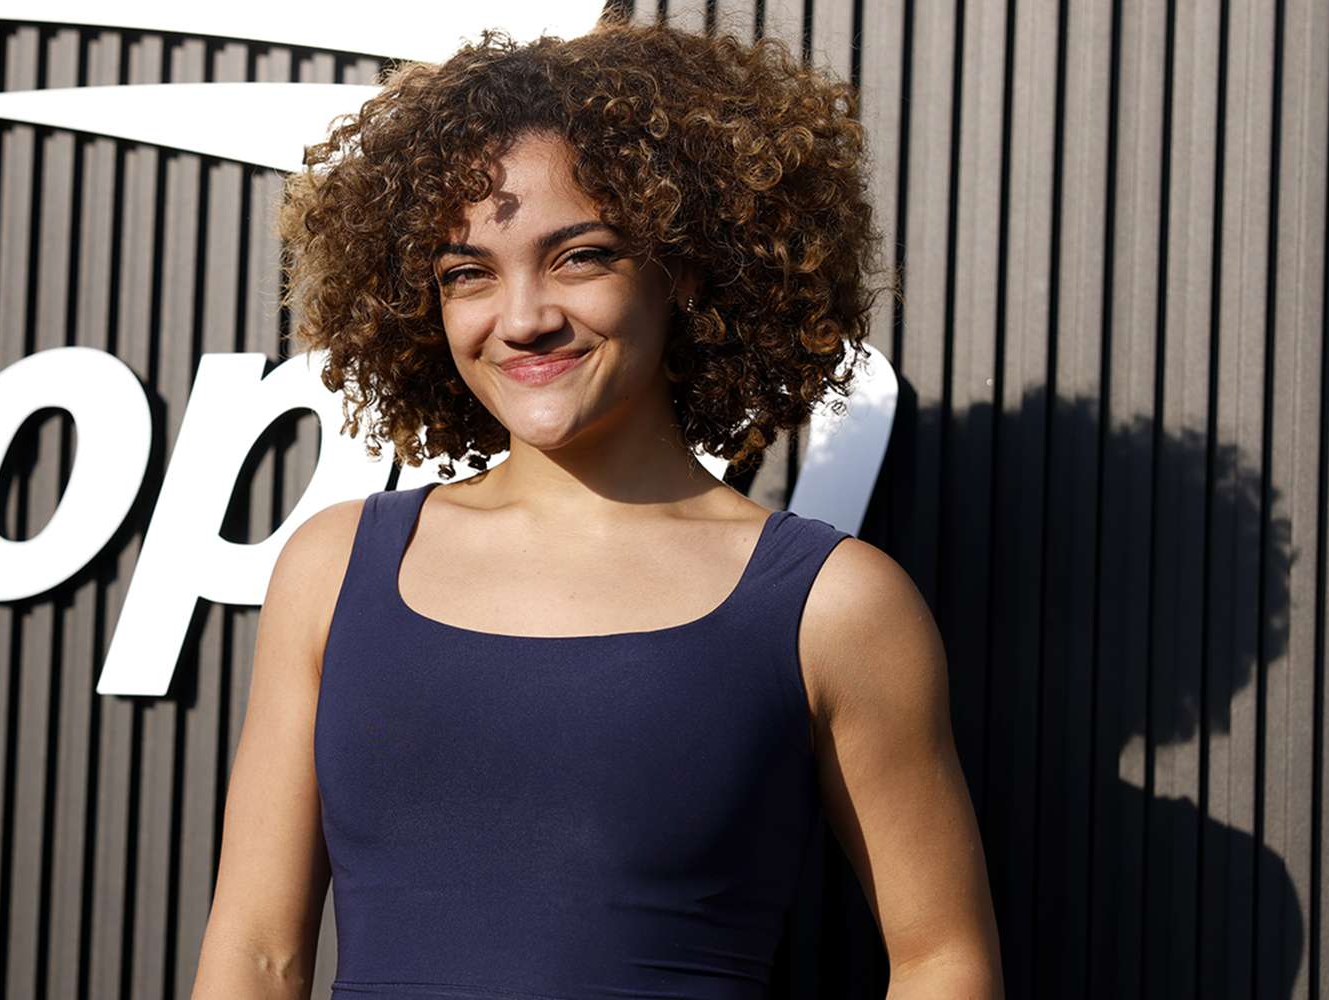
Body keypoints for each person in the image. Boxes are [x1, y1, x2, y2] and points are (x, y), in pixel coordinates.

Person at [191, 14, 1002, 1000]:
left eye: (580, 256)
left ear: (685, 265)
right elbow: (258, 955)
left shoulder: (833, 604)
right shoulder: (334, 568)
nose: (523, 315)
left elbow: (940, 960)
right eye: (468, 274)